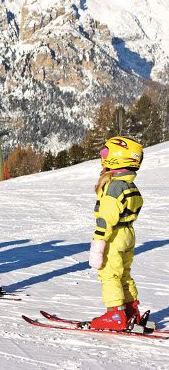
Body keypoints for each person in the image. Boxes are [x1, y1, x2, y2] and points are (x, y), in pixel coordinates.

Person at [88, 136, 145, 330]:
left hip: (114, 236)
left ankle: (115, 314)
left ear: (117, 158)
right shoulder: (130, 185)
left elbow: (106, 217)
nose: (102, 157)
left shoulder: (114, 186)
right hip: (129, 234)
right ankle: (131, 310)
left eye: (105, 153)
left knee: (109, 274)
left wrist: (98, 243)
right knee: (124, 274)